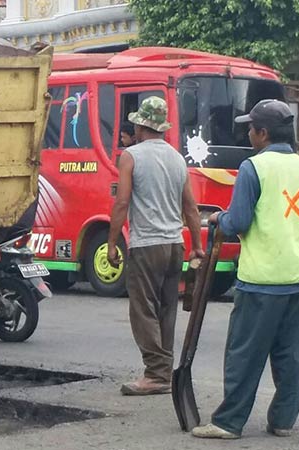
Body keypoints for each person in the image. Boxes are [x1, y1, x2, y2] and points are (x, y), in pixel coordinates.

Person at [192, 99, 299, 439]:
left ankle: (228, 422)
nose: (248, 133)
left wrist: (219, 217)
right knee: (289, 354)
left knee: (244, 353)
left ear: (263, 133)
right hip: (298, 273)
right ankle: (282, 421)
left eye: (251, 128)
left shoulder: (254, 167)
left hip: (262, 277)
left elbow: (239, 222)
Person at [107, 97, 205, 395]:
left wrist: (112, 243)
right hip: (174, 244)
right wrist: (197, 247)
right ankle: (163, 370)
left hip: (146, 245)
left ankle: (156, 373)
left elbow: (122, 201)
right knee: (166, 309)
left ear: (140, 125)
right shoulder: (177, 157)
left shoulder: (131, 155)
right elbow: (190, 207)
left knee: (142, 309)